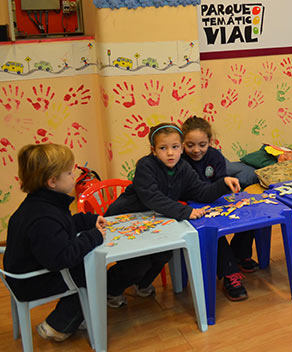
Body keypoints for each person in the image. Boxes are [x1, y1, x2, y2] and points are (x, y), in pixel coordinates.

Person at [105, 123, 236, 307]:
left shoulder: (183, 168)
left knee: (164, 254)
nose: (170, 153)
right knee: (138, 263)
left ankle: (141, 284)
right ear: (153, 150)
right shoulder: (145, 166)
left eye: (175, 147)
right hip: (124, 220)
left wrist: (223, 183)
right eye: (163, 148)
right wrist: (186, 212)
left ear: (181, 148)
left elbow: (201, 191)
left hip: (153, 223)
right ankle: (110, 290)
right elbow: (153, 198)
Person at [3, 144, 107, 342]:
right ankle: (58, 326)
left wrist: (88, 220)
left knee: (86, 264)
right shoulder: (43, 217)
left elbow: (64, 226)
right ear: (52, 181)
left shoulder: (42, 204)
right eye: (69, 173)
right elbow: (61, 258)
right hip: (30, 281)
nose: (74, 176)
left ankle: (75, 315)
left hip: (26, 271)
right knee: (90, 271)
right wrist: (93, 237)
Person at [181, 116, 255, 301]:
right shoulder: (180, 161)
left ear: (210, 141)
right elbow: (189, 191)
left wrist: (226, 189)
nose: (196, 150)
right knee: (214, 232)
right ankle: (229, 273)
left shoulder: (215, 156)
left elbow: (221, 182)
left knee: (251, 215)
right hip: (192, 207)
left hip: (215, 201)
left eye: (202, 145)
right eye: (190, 145)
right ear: (182, 143)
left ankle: (240, 255)